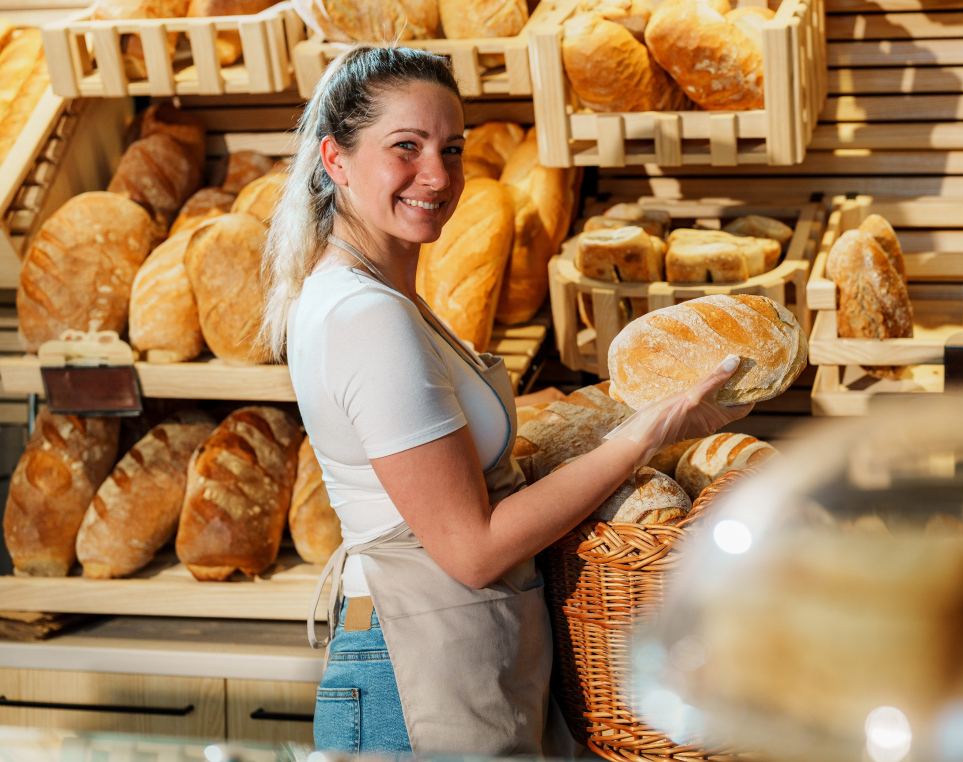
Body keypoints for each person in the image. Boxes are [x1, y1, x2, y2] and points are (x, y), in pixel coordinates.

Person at [258, 45, 753, 755]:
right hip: (412, 680)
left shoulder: (368, 293)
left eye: (452, 149)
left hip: (430, 662)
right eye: (406, 147)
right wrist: (644, 435)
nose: (437, 175)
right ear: (336, 159)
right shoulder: (366, 315)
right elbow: (473, 550)